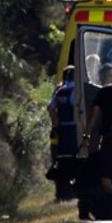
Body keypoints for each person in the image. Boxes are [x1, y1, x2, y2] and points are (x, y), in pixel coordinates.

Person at [47, 65, 80, 201]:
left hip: (62, 129)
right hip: (74, 129)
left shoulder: (60, 90)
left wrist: (56, 123)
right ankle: (73, 191)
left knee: (61, 159)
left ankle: (62, 191)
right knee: (75, 159)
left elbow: (51, 108)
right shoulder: (75, 90)